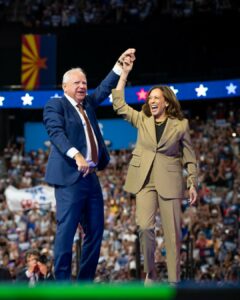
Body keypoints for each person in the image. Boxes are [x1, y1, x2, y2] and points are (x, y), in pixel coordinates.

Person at [43, 48, 136, 282]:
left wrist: (119, 65)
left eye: (84, 82)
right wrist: (76, 155)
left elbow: (105, 87)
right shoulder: (56, 106)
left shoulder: (88, 105)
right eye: (77, 83)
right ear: (65, 87)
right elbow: (56, 132)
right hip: (70, 177)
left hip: (91, 178)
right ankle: (62, 284)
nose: (82, 86)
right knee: (67, 231)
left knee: (95, 232)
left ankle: (84, 283)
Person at [111, 56, 198, 285]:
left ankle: (174, 281)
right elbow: (118, 104)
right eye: (150, 98)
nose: (152, 101)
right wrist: (124, 73)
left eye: (157, 98)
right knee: (144, 228)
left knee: (173, 236)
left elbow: (189, 157)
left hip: (169, 182)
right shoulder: (142, 120)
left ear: (167, 102)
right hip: (144, 181)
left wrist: (192, 183)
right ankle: (151, 272)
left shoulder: (181, 125)